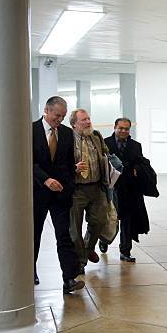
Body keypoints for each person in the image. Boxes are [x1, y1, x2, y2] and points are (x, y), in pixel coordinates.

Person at [32, 96, 84, 294]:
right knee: (34, 234)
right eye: (56, 115)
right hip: (38, 191)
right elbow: (28, 162)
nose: (59, 120)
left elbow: (67, 163)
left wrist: (69, 183)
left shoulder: (67, 134)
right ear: (46, 110)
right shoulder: (31, 130)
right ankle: (30, 271)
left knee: (64, 235)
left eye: (62, 116)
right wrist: (45, 180)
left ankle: (69, 278)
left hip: (61, 194)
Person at [69, 109, 109, 272]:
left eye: (88, 119)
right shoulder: (67, 139)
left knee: (99, 221)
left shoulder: (96, 136)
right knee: (75, 228)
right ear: (74, 124)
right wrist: (73, 168)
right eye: (83, 120)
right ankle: (80, 261)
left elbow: (106, 153)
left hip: (96, 187)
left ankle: (87, 248)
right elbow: (60, 162)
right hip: (76, 189)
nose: (88, 122)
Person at [101, 117, 146, 262]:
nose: (124, 131)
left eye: (127, 129)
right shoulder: (105, 143)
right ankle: (104, 240)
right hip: (110, 188)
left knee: (127, 220)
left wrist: (136, 169)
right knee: (109, 218)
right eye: (121, 128)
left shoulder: (135, 145)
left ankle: (125, 251)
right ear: (115, 127)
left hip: (129, 189)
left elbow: (140, 163)